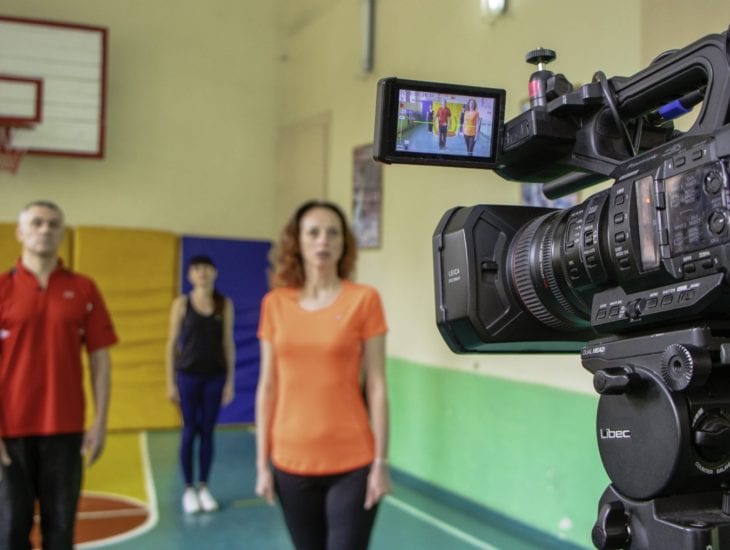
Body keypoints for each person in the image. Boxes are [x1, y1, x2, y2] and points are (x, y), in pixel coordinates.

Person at [255, 200, 390, 550]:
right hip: (290, 461)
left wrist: (381, 462)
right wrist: (261, 464)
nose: (323, 241)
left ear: (344, 243)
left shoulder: (364, 300)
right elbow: (267, 387)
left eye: (333, 233)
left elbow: (376, 385)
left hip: (353, 461)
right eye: (313, 232)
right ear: (297, 241)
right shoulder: (275, 304)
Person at [0, 200, 118, 550]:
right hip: (9, 434)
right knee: (9, 534)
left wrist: (100, 421)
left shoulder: (84, 289)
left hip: (65, 432)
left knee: (60, 534)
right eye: (36, 223)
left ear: (62, 234)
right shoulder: (2, 288)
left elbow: (100, 360)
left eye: (53, 224)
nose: (45, 230)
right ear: (20, 232)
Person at [166, 255, 235, 514]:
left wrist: (230, 382)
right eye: (196, 269)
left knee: (207, 432)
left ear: (214, 272)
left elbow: (228, 343)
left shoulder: (224, 304)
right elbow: (171, 344)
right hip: (188, 377)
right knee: (189, 431)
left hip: (214, 377)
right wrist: (170, 382)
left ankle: (204, 487)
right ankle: (188, 489)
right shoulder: (181, 304)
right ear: (190, 276)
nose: (202, 272)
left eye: (206, 268)